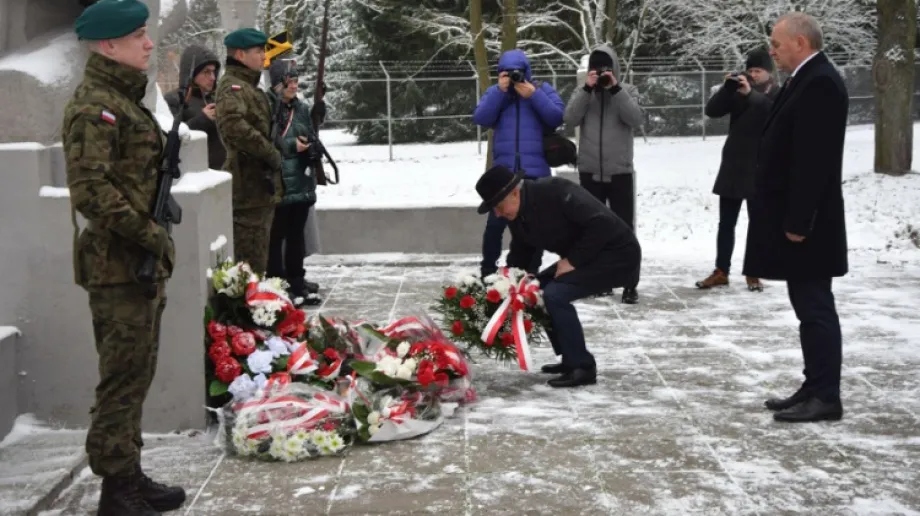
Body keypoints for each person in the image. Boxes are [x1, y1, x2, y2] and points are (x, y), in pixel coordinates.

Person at [63, 0, 187, 514]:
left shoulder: (126, 101)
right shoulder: (96, 105)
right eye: (138, 35)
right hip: (119, 264)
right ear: (108, 44)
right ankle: (116, 491)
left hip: (135, 262)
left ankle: (129, 474)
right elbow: (90, 189)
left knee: (136, 373)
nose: (149, 42)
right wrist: (150, 235)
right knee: (121, 377)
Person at [743, 12, 849, 423]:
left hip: (810, 222)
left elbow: (813, 161)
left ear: (800, 43)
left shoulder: (820, 82)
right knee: (806, 304)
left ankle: (825, 395)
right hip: (800, 216)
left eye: (777, 44)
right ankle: (815, 385)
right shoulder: (805, 78)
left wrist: (799, 220)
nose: (772, 51)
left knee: (815, 305)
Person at [474, 165, 641, 388]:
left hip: (617, 255)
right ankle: (570, 359)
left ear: (514, 192)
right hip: (584, 257)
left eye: (498, 206)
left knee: (555, 295)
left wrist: (573, 261)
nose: (498, 214)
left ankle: (583, 367)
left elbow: (600, 223)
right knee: (536, 290)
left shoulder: (555, 191)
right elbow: (524, 252)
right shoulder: (517, 214)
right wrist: (511, 284)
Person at [471, 49, 565, 280]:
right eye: (507, 73)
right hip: (504, 173)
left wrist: (533, 96)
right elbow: (481, 118)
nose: (513, 77)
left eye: (518, 73)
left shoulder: (541, 90)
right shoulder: (496, 93)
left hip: (536, 172)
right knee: (495, 225)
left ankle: (529, 272)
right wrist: (500, 92)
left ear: (527, 72)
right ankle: (488, 271)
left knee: (533, 227)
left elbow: (557, 117)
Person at [563, 44, 644, 304]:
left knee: (624, 231)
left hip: (619, 172)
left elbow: (635, 119)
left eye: (605, 68)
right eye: (596, 69)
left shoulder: (627, 91)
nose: (600, 73)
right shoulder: (584, 93)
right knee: (592, 230)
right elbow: (570, 119)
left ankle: (630, 283)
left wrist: (616, 88)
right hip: (589, 172)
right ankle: (601, 281)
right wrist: (587, 88)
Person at [696, 48, 779, 292]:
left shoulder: (777, 93)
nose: (753, 75)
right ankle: (721, 270)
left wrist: (750, 93)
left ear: (768, 72)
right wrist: (728, 88)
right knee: (726, 224)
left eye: (758, 71)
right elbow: (712, 111)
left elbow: (772, 112)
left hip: (761, 167)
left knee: (758, 224)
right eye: (750, 70)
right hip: (734, 165)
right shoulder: (740, 92)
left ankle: (754, 272)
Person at [214, 28, 284, 275]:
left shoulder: (250, 87)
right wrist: (270, 153)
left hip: (259, 189)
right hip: (247, 191)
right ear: (241, 55)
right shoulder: (233, 87)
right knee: (248, 267)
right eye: (259, 51)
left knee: (259, 262)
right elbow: (233, 127)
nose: (264, 56)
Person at [265, 60, 322, 305]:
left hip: (300, 178)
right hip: (279, 180)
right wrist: (291, 146)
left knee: (297, 234)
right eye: (289, 81)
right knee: (276, 235)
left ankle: (297, 280)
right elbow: (269, 140)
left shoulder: (302, 108)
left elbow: (309, 133)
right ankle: (278, 283)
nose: (294, 86)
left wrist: (312, 149)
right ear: (278, 82)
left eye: (296, 81)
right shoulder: (267, 106)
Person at [164, 44, 225, 170]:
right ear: (191, 73)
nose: (213, 78)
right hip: (195, 176)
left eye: (214, 72)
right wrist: (203, 119)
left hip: (223, 173)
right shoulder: (175, 100)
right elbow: (172, 140)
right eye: (206, 72)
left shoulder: (216, 98)